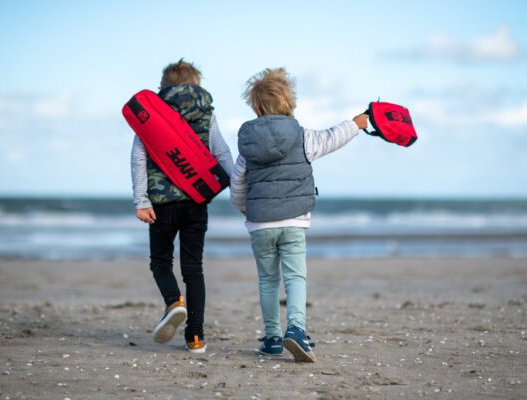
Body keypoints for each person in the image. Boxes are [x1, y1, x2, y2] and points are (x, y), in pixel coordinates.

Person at [230, 68, 367, 362]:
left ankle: (271, 338)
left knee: (267, 280)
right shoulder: (302, 137)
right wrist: (356, 124)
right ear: (289, 103)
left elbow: (237, 185)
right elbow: (332, 138)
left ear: (255, 105)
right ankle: (296, 330)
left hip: (259, 224)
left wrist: (249, 212)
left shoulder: (248, 145)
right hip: (293, 220)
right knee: (295, 277)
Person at [131, 59, 233, 353]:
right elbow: (222, 152)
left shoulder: (151, 115)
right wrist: (237, 188)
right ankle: (196, 338)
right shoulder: (206, 113)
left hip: (161, 204)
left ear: (162, 87)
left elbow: (139, 157)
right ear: (196, 85)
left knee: (160, 261)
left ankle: (174, 301)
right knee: (194, 269)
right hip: (196, 201)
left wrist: (142, 200)